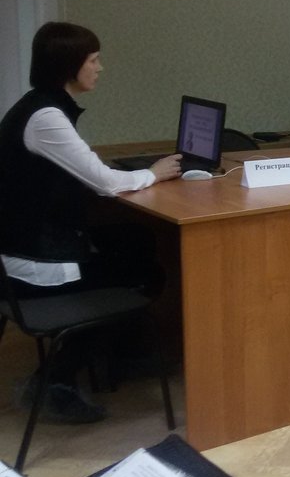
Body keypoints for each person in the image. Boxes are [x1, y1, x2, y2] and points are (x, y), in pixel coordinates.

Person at [0, 22, 182, 423]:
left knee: (135, 238)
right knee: (142, 274)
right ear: (69, 65)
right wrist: (154, 173)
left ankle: (120, 353)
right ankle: (57, 379)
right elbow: (104, 183)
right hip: (34, 263)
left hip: (29, 245)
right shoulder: (46, 117)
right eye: (94, 60)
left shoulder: (38, 105)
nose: (100, 68)